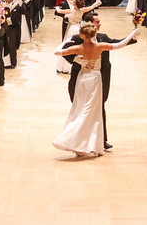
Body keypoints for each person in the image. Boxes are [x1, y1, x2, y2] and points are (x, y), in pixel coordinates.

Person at [53, 18, 138, 157]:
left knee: (81, 109)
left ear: (82, 35)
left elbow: (57, 52)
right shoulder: (99, 46)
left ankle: (81, 142)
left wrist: (64, 43)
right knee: (92, 110)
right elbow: (119, 45)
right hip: (95, 79)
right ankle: (91, 143)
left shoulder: (78, 48)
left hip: (83, 79)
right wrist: (131, 34)